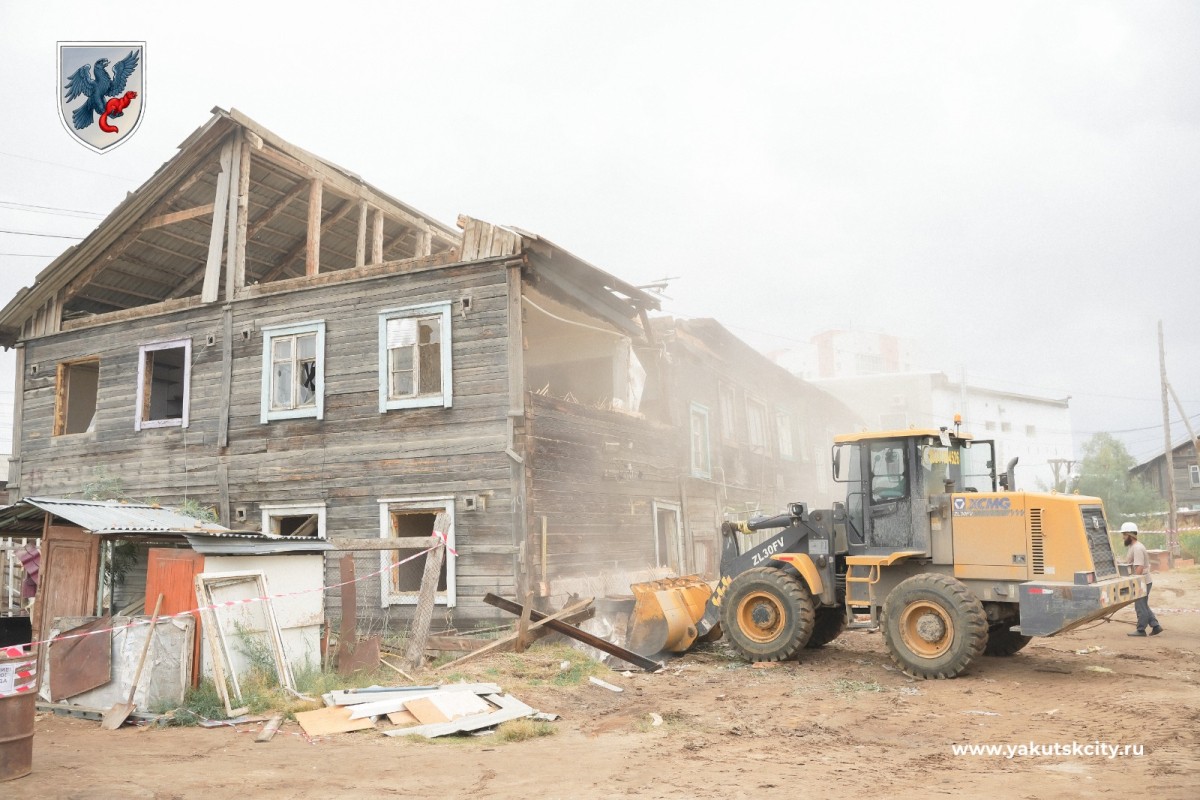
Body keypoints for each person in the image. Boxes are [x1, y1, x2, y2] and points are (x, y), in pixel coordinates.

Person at [1120, 522, 1163, 637]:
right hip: (1144, 581)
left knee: (1140, 605)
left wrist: (1135, 582)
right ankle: (1155, 625)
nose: (1123, 537)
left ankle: (1141, 630)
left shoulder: (1137, 548)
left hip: (1142, 581)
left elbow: (1139, 567)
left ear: (1129, 535)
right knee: (1143, 604)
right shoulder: (1133, 547)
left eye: (1124, 534)